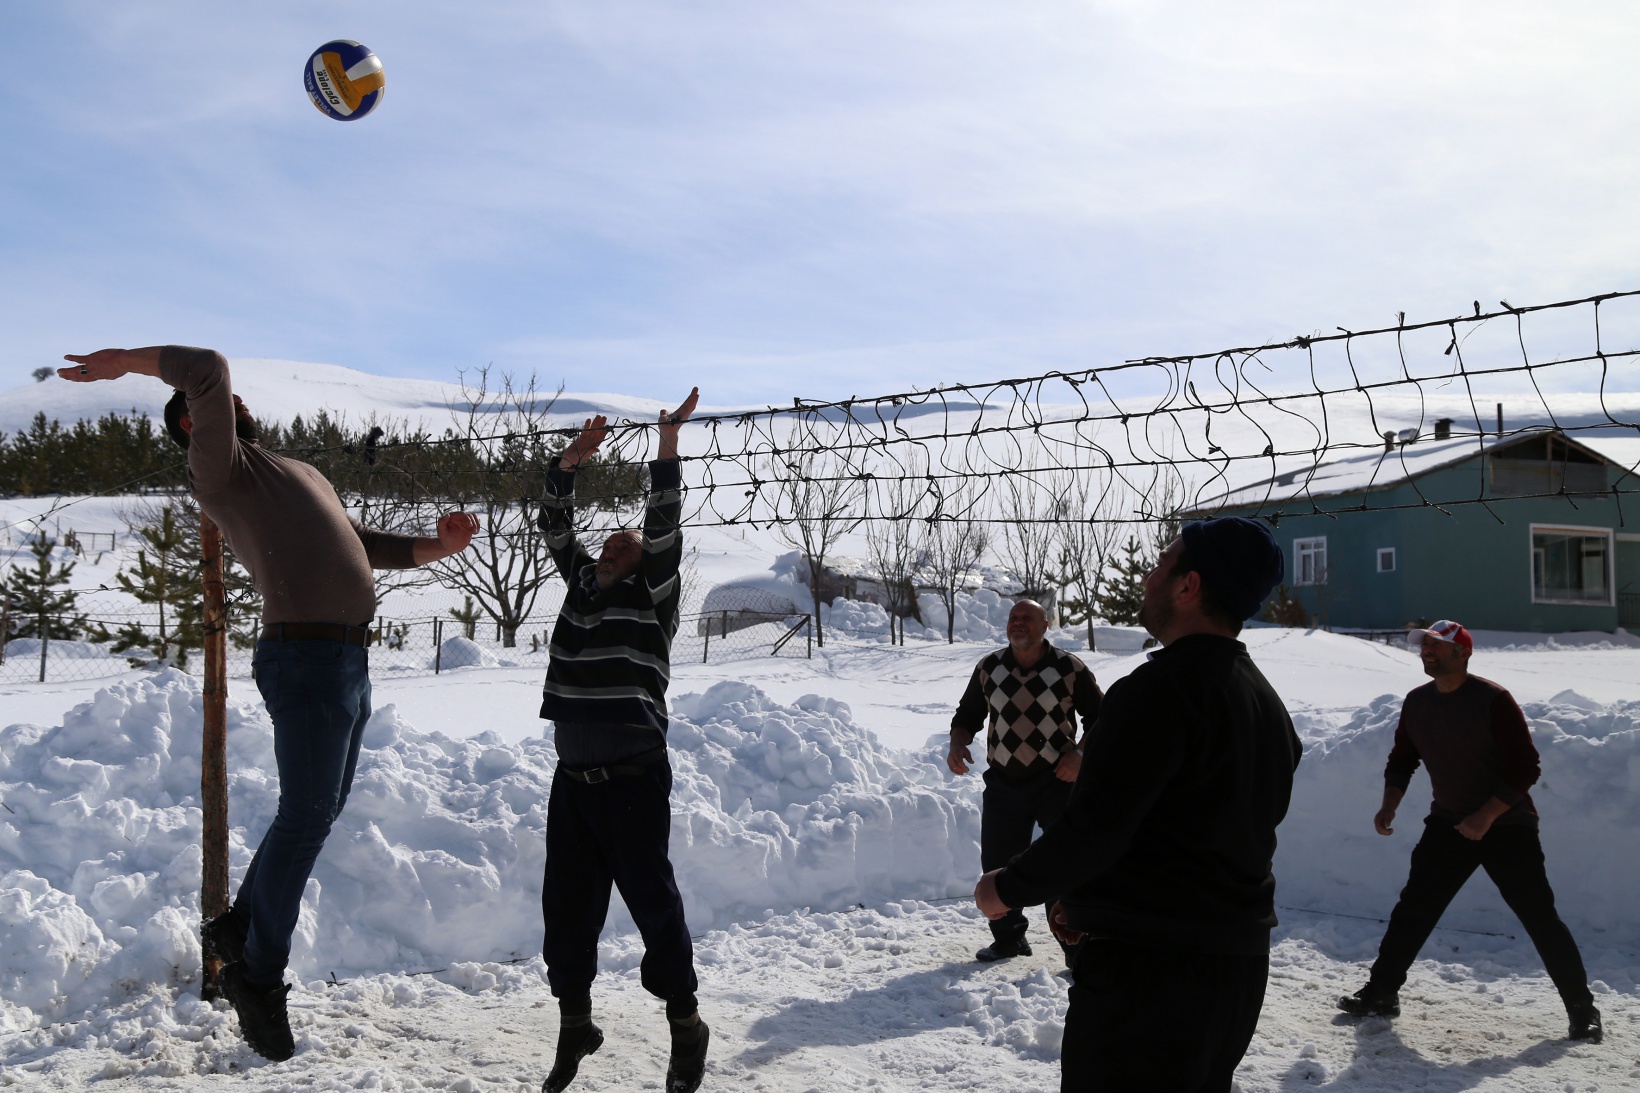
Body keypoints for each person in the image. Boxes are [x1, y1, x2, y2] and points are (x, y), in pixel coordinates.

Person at [59, 346, 479, 1061]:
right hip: (306, 658)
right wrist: (123, 362)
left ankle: (239, 927)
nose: (241, 405)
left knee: (321, 808)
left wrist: (433, 548)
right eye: (223, 409)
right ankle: (256, 972)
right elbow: (207, 366)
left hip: (346, 656)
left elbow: (358, 542)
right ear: (196, 426)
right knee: (306, 812)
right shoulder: (221, 469)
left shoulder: (299, 472)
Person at [975, 517, 1299, 1093]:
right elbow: (1184, 831)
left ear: (1187, 586)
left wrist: (1006, 888)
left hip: (1153, 980)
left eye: (1162, 564)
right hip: (1236, 969)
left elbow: (1096, 828)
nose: (1148, 577)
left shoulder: (1158, 693)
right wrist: (1086, 904)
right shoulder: (1262, 700)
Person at [534, 389, 708, 1093]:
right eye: (607, 543)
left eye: (624, 546)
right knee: (566, 909)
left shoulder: (652, 597)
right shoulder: (581, 586)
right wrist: (568, 464)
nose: (611, 548)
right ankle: (576, 1023)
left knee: (651, 901)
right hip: (572, 782)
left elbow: (663, 526)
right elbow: (553, 524)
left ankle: (685, 1022)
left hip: (634, 778)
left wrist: (665, 448)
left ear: (644, 566)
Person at [1337, 620, 1602, 1043]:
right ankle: (1382, 993)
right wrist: (1390, 804)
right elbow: (1403, 758)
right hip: (1447, 824)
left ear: (1463, 653)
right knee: (1414, 909)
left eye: (1438, 646)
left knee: (1540, 918)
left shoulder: (1493, 700)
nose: (1428, 651)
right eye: (1425, 645)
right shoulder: (1417, 702)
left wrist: (1486, 815)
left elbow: (1526, 767)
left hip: (1507, 824)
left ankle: (1582, 1010)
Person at [948, 598, 1101, 961]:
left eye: (1027, 618)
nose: (1018, 623)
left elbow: (1101, 717)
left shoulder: (1069, 668)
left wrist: (1079, 755)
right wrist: (957, 743)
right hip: (1004, 780)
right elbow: (968, 713)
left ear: (1045, 625)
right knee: (997, 862)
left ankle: (1076, 947)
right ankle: (1009, 937)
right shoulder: (990, 667)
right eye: (1013, 618)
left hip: (1057, 781)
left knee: (1064, 862)